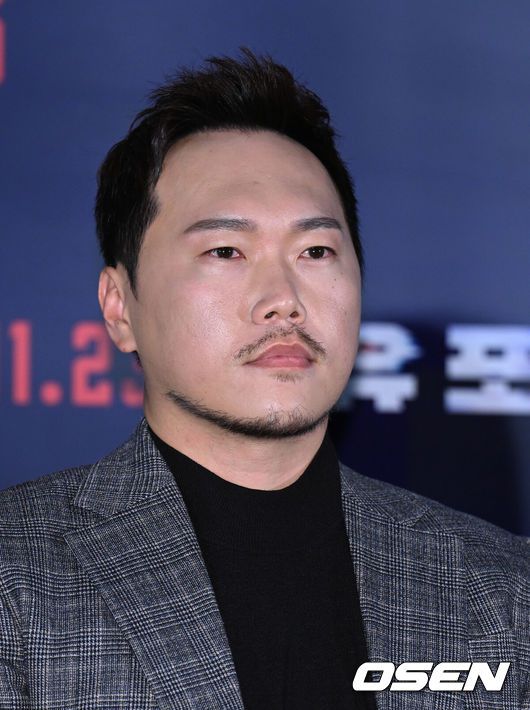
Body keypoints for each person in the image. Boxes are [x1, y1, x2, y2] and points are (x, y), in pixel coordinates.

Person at [0, 48, 528, 710]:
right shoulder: (17, 572)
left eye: (316, 251)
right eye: (226, 251)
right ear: (119, 307)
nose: (283, 300)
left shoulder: (499, 589)